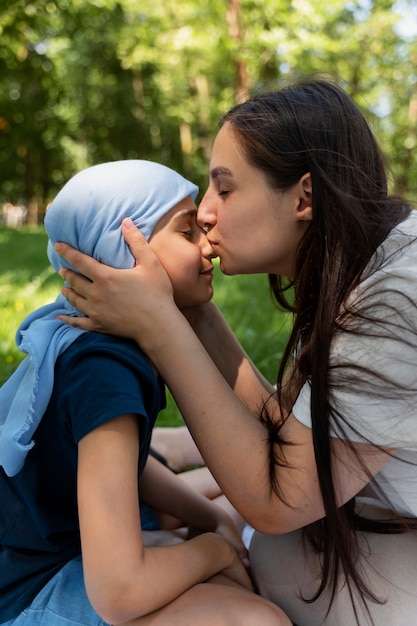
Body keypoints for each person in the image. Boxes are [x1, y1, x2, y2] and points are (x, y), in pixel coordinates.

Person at [54, 76, 417, 626]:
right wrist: (192, 310)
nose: (204, 212)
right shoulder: (372, 263)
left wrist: (160, 326)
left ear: (303, 197)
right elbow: (290, 432)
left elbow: (278, 497)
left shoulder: (392, 305)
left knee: (265, 550)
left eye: (225, 189)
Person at [0, 160, 289, 626]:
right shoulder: (105, 368)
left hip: (59, 553)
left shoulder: (105, 347)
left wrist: (210, 522)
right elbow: (120, 591)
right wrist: (214, 549)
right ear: (124, 254)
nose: (208, 246)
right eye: (187, 231)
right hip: (28, 589)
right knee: (255, 620)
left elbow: (128, 467)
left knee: (223, 519)